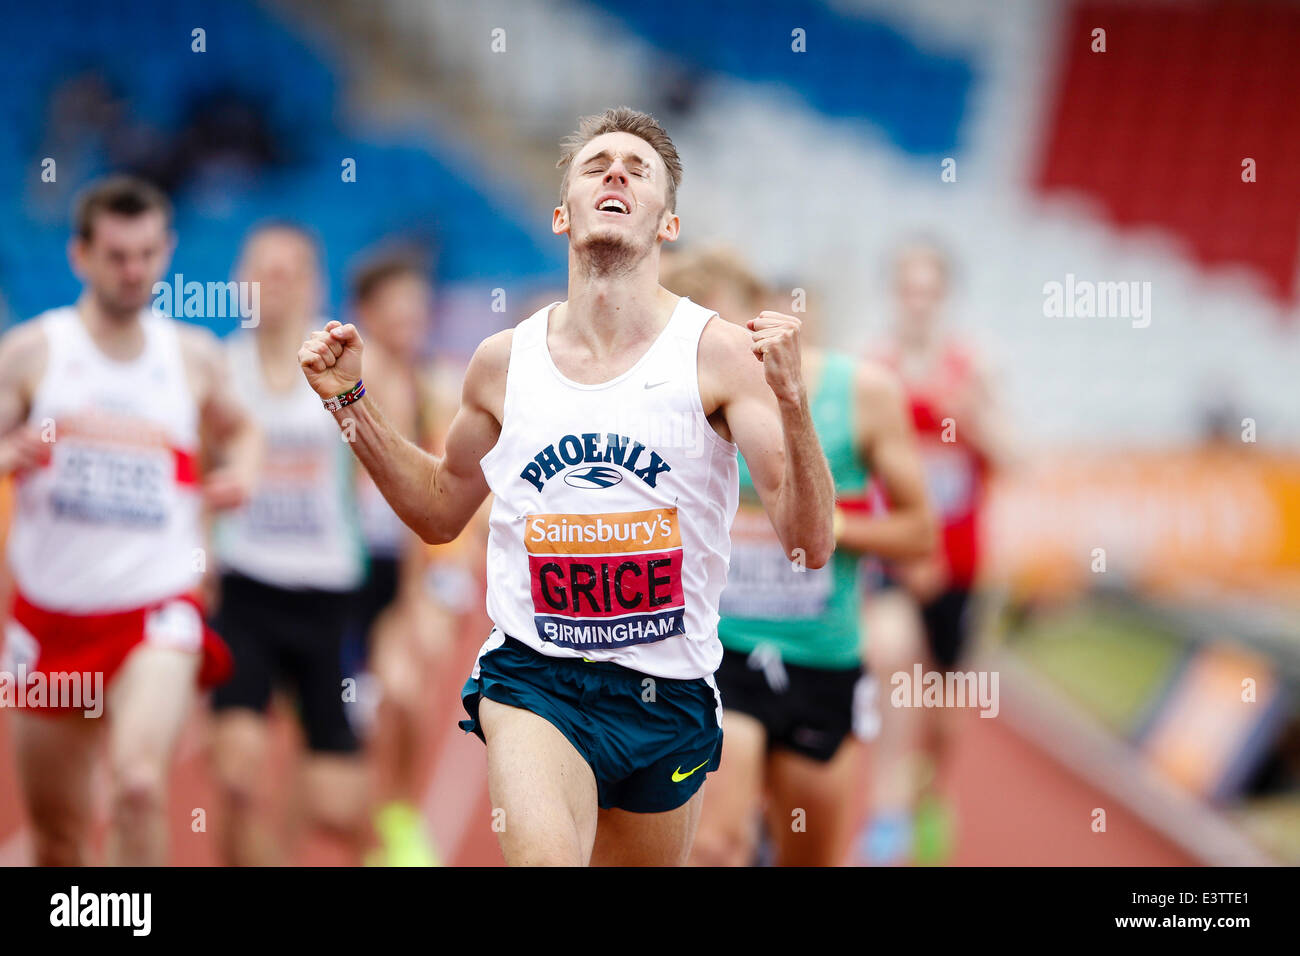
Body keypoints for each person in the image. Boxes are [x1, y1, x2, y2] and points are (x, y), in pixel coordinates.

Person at [297, 106, 836, 866]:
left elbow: (809, 543)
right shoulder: (502, 362)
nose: (616, 172)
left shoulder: (717, 356)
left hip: (666, 690)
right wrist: (349, 401)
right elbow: (437, 510)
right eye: (597, 165)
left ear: (667, 223)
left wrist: (794, 406)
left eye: (637, 169)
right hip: (536, 679)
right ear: (563, 213)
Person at [0, 175, 258, 865]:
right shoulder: (34, 353)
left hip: (156, 607)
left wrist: (243, 470)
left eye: (146, 253)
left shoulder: (193, 356)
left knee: (139, 785)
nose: (133, 270)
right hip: (51, 617)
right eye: (116, 255)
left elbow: (242, 431)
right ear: (80, 256)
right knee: (57, 840)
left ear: (167, 250)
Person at [663, 247, 934, 866]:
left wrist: (815, 524)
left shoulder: (862, 392)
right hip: (723, 653)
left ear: (756, 317)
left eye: (720, 328)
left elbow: (920, 532)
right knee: (715, 847)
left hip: (821, 658)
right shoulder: (691, 393)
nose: (710, 352)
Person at [208, 223, 369, 866]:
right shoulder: (218, 369)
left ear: (315, 283)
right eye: (262, 271)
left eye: (289, 272)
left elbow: (388, 474)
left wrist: (412, 595)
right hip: (244, 588)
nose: (273, 285)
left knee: (337, 806)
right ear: (239, 283)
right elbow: (192, 467)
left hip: (327, 594)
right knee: (238, 774)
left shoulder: (349, 370)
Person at [860, 239, 1015, 865]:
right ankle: (886, 819)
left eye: (929, 289)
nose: (918, 301)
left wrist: (975, 419)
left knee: (944, 717)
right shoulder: (875, 369)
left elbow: (1014, 459)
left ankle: (926, 793)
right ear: (895, 293)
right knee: (894, 661)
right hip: (898, 561)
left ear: (944, 296)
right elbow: (859, 466)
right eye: (908, 288)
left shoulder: (973, 369)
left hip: (963, 566)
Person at [343, 253, 465, 866]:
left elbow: (440, 492)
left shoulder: (432, 389)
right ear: (366, 313)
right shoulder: (334, 388)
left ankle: (398, 818)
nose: (411, 320)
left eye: (419, 309)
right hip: (338, 572)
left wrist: (430, 589)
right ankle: (354, 825)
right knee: (345, 728)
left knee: (409, 696)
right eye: (398, 308)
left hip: (401, 570)